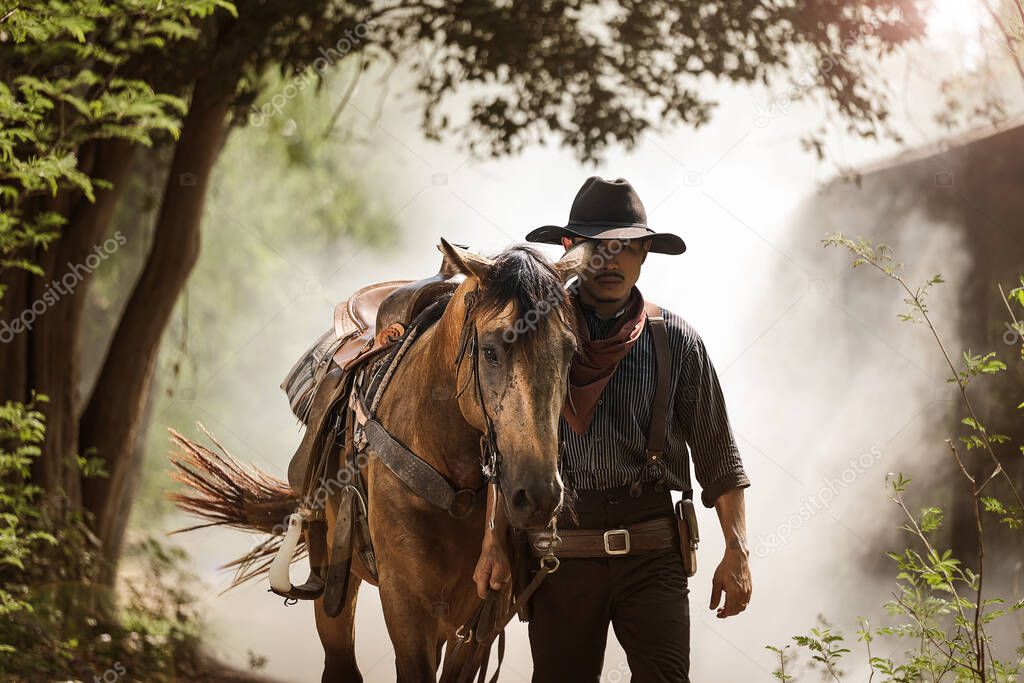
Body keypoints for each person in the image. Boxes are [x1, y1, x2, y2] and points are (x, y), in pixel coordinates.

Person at [473, 176, 753, 682]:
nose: (611, 261)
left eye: (626, 247)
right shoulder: (528, 337)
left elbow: (720, 459)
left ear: (646, 253)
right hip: (560, 552)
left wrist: (737, 551)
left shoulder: (676, 341)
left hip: (653, 554)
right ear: (569, 250)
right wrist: (494, 542)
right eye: (597, 248)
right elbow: (504, 450)